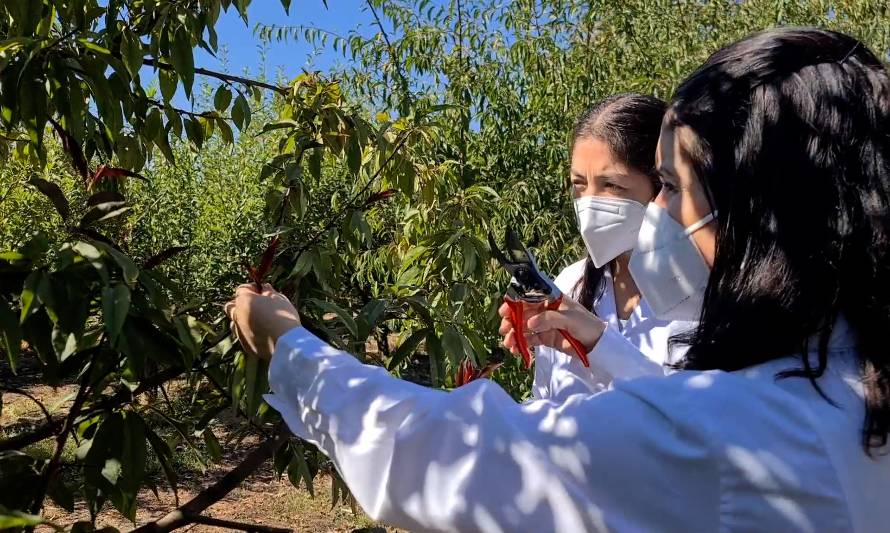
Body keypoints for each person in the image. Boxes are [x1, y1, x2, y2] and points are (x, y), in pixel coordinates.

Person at [227, 28, 890, 532]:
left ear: (758, 210)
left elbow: (453, 453)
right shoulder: (848, 378)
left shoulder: (739, 431)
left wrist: (292, 344)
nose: (650, 213)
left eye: (669, 186)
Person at [528, 93, 695, 401]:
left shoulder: (702, 294)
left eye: (612, 185)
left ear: (663, 185)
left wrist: (600, 343)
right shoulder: (569, 284)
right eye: (579, 184)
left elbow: (701, 419)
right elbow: (546, 406)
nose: (589, 203)